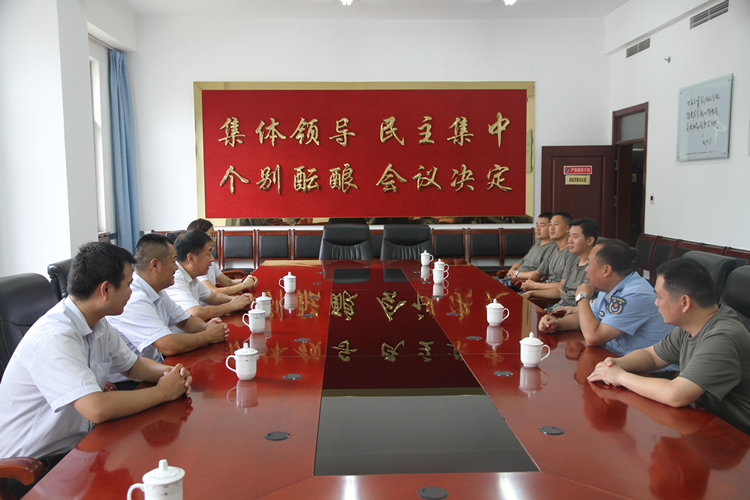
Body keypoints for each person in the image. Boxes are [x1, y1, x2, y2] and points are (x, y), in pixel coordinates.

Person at [0, 242, 192, 490]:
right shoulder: (55, 337)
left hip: (79, 450)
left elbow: (133, 366)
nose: (131, 292)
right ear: (106, 289)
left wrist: (171, 373)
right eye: (128, 285)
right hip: (33, 470)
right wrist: (163, 392)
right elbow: (96, 408)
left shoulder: (97, 323)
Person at [588, 258, 750, 435]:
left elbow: (676, 394)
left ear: (684, 302)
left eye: (659, 297)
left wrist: (620, 377)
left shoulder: (722, 337)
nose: (656, 303)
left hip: (735, 437)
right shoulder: (692, 325)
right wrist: (616, 364)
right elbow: (652, 356)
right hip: (702, 420)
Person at [107, 234, 229, 388]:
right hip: (130, 382)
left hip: (155, 366)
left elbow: (184, 320)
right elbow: (168, 345)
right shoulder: (135, 299)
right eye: (173, 261)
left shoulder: (157, 290)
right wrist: (209, 336)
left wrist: (207, 327)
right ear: (155, 265)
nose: (177, 267)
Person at [538, 239, 673, 357]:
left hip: (646, 371)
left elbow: (593, 337)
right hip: (613, 357)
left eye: (590, 264)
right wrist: (557, 324)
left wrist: (582, 297)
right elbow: (587, 317)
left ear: (606, 270)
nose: (586, 269)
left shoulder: (634, 295)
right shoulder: (610, 287)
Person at [165, 230, 252, 320]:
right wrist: (232, 306)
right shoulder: (175, 278)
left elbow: (212, 297)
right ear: (191, 258)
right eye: (208, 254)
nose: (212, 259)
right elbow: (196, 313)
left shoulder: (191, 275)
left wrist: (237, 299)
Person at [523, 217, 598, 309]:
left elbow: (595, 303)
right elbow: (560, 291)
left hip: (572, 311)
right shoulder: (574, 262)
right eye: (569, 235)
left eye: (575, 237)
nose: (570, 241)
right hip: (558, 306)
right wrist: (531, 293)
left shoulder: (596, 268)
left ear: (590, 240)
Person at [186, 218, 258, 295]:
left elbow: (228, 282)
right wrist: (244, 285)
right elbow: (214, 292)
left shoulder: (210, 263)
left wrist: (246, 281)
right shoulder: (196, 266)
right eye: (210, 236)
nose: (214, 240)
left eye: (214, 236)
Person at [520, 211, 575, 293]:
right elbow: (538, 273)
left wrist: (534, 285)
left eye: (556, 224)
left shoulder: (572, 252)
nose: (551, 228)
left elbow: (563, 285)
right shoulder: (553, 250)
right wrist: (528, 283)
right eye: (550, 225)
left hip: (552, 294)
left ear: (568, 228)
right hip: (541, 289)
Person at [501, 212, 555, 282]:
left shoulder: (553, 248)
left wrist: (517, 274)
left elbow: (542, 274)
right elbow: (521, 262)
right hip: (514, 279)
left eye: (542, 226)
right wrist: (511, 271)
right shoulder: (536, 245)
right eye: (537, 225)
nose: (537, 229)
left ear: (551, 228)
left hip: (523, 282)